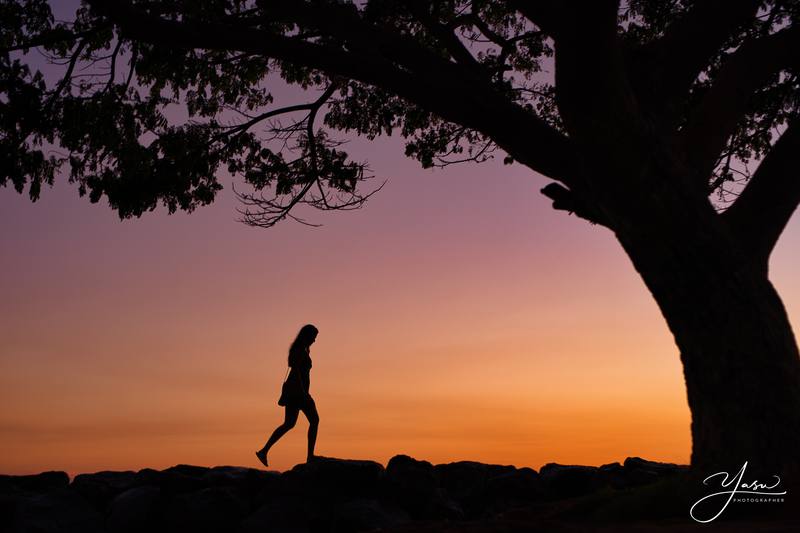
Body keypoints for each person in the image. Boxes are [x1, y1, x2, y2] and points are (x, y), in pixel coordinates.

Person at [256, 324, 320, 467]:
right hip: (298, 393)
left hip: (296, 393)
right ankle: (310, 456)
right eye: (314, 337)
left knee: (289, 424)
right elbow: (296, 372)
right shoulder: (299, 350)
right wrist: (304, 393)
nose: (314, 341)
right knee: (314, 420)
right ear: (307, 335)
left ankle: (264, 450)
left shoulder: (303, 349)